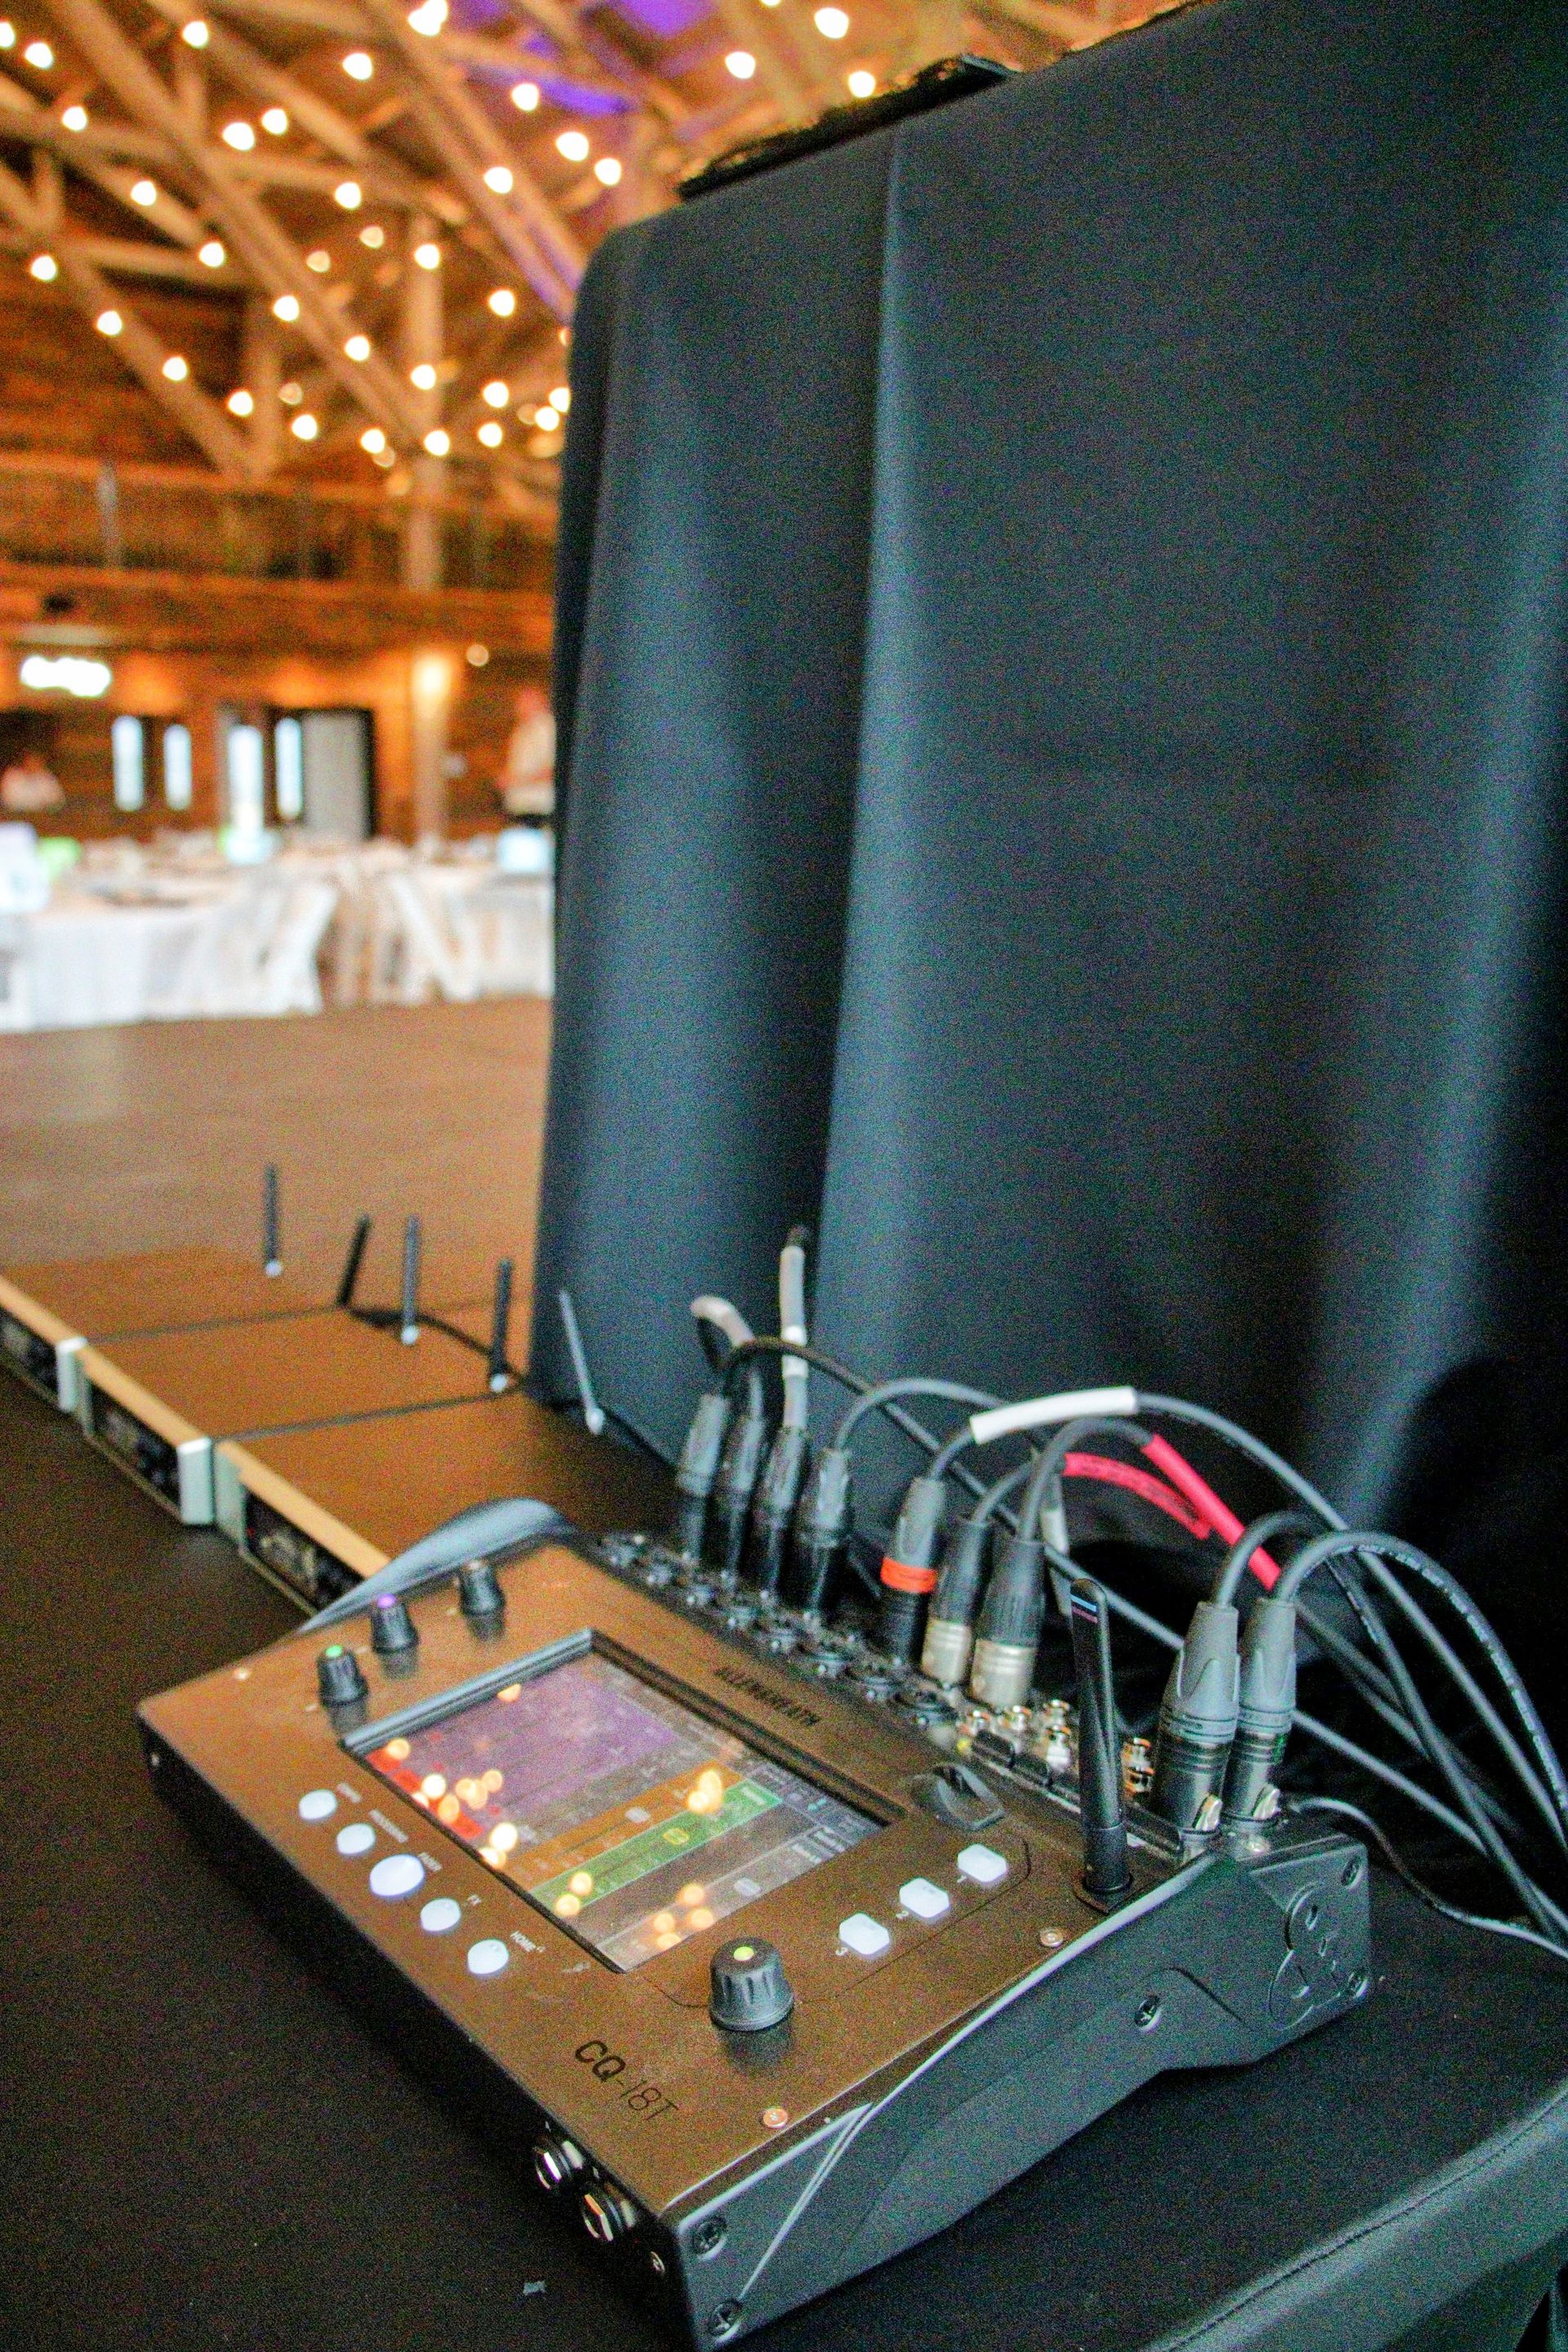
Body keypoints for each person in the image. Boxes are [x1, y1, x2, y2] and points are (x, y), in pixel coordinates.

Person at [497, 684, 555, 819]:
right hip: (521, 808)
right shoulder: (521, 731)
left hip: (538, 807)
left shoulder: (546, 729)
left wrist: (517, 781)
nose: (519, 706)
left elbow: (553, 770)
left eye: (525, 701)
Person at [0, 746, 64, 814]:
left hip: (42, 816)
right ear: (25, 761)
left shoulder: (47, 777)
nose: (34, 763)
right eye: (31, 760)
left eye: (37, 760)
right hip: (15, 815)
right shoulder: (12, 775)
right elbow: (9, 800)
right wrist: (38, 804)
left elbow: (57, 799)